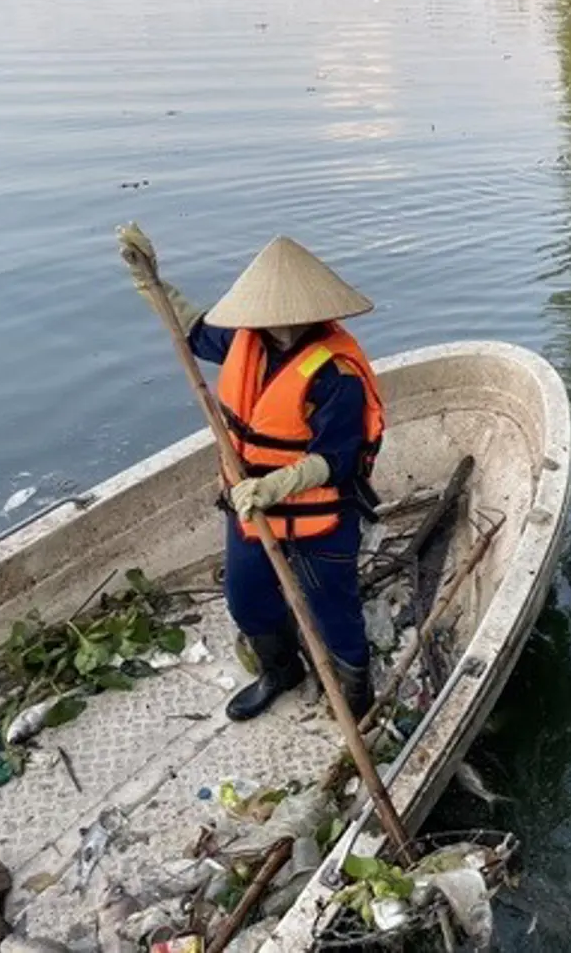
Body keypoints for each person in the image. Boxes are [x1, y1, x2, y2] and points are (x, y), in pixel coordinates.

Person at [117, 225, 384, 723]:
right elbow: (194, 330)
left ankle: (354, 695)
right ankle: (281, 671)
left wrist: (275, 486)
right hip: (249, 508)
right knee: (246, 597)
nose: (275, 325)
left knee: (334, 611)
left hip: (318, 519)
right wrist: (151, 281)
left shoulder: (336, 376)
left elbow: (337, 459)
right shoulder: (249, 339)